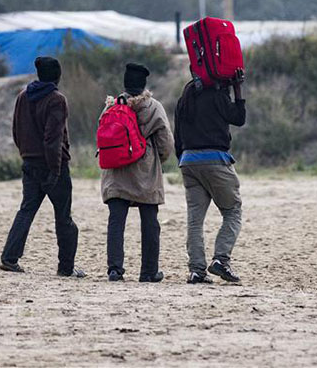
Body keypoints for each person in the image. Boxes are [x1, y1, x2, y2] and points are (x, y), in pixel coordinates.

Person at [0, 56, 84, 277]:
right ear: (57, 76)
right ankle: (66, 267)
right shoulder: (57, 99)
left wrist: (26, 154)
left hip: (30, 163)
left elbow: (16, 131)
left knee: (26, 210)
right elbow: (53, 139)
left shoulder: (22, 97)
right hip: (53, 165)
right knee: (63, 217)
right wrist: (55, 170)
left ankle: (9, 258)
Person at [100, 63, 174, 283]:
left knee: (116, 220)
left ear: (124, 83)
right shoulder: (153, 107)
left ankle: (115, 269)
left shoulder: (111, 106)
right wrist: (156, 160)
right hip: (145, 170)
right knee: (150, 221)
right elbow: (166, 141)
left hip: (116, 172)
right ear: (144, 85)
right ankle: (149, 272)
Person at [174, 72, 246, 284]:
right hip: (215, 160)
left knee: (195, 220)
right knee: (232, 211)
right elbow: (239, 118)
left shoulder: (185, 99)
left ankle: (197, 270)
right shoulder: (217, 96)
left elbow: (177, 135)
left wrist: (183, 159)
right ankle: (220, 260)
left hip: (188, 161)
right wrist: (237, 90)